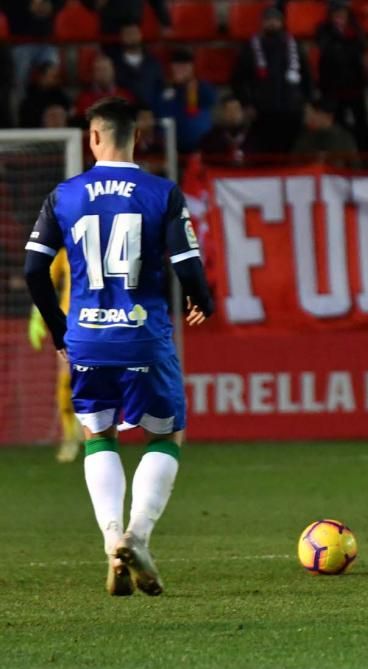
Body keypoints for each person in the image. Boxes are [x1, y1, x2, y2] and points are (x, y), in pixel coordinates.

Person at [23, 97, 214, 596]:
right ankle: (138, 535)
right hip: (142, 336)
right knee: (166, 437)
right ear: (137, 138)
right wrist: (202, 297)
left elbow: (32, 270)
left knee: (98, 435)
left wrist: (60, 329)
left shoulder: (65, 195)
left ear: (93, 138)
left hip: (87, 337)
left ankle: (112, 541)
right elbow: (187, 264)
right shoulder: (161, 192)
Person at [232, 6, 313, 154]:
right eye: (268, 20)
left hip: (292, 110)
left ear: (282, 23)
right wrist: (246, 103)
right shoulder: (250, 47)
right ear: (262, 23)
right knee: (265, 152)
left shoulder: (295, 45)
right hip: (262, 110)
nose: (272, 23)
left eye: (275, 20)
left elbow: (306, 76)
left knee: (290, 151)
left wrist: (306, 102)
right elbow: (238, 79)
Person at [27, 250, 82, 463]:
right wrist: (37, 316)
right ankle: (70, 437)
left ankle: (94, 430)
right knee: (66, 379)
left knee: (98, 381)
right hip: (70, 323)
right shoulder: (65, 248)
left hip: (102, 320)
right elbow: (42, 277)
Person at [315, 0, 368, 152]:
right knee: (338, 126)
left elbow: (362, 50)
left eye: (342, 13)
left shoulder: (356, 30)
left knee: (362, 125)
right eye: (336, 14)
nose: (339, 17)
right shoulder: (323, 30)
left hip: (355, 87)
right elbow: (327, 53)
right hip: (333, 89)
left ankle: (366, 158)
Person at [153, 48, 216, 154]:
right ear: (171, 67)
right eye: (177, 66)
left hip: (198, 147)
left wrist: (190, 90)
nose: (180, 70)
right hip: (168, 147)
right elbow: (158, 112)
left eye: (184, 66)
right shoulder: (162, 89)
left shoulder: (201, 87)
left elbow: (211, 100)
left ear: (192, 68)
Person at [105, 23, 166, 109]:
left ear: (140, 35)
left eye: (134, 33)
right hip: (123, 113)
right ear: (121, 37)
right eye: (127, 33)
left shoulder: (153, 63)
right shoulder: (113, 63)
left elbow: (160, 88)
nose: (131, 36)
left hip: (150, 113)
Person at [292, 99, 359, 167]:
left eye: (310, 114)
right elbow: (293, 166)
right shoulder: (304, 138)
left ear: (325, 115)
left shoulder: (345, 139)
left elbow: (355, 168)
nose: (306, 120)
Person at [74, 54, 134, 122]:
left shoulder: (125, 96)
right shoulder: (83, 99)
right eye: (99, 70)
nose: (103, 73)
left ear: (113, 71)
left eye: (105, 69)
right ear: (93, 73)